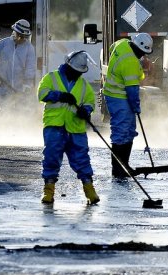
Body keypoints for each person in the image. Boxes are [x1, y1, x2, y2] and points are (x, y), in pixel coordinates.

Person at [37, 51, 99, 205]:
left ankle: (89, 190)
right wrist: (60, 95)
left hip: (75, 129)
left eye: (80, 73)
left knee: (82, 159)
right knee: (51, 157)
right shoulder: (51, 78)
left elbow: (90, 102)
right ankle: (48, 191)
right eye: (76, 72)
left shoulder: (84, 85)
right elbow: (42, 94)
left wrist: (86, 110)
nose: (78, 75)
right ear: (68, 66)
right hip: (54, 126)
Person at [102, 33, 153, 178]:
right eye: (143, 52)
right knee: (122, 132)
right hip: (119, 97)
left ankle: (123, 166)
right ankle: (119, 169)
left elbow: (112, 48)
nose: (143, 55)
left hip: (113, 93)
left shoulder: (123, 43)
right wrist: (136, 106)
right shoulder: (130, 62)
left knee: (128, 130)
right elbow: (132, 90)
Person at [0, 19, 36, 116]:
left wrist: (27, 85)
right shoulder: (3, 43)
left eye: (24, 37)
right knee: (4, 112)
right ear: (15, 33)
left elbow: (30, 68)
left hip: (20, 90)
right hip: (3, 86)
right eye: (20, 36)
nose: (22, 39)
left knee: (20, 114)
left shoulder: (29, 48)